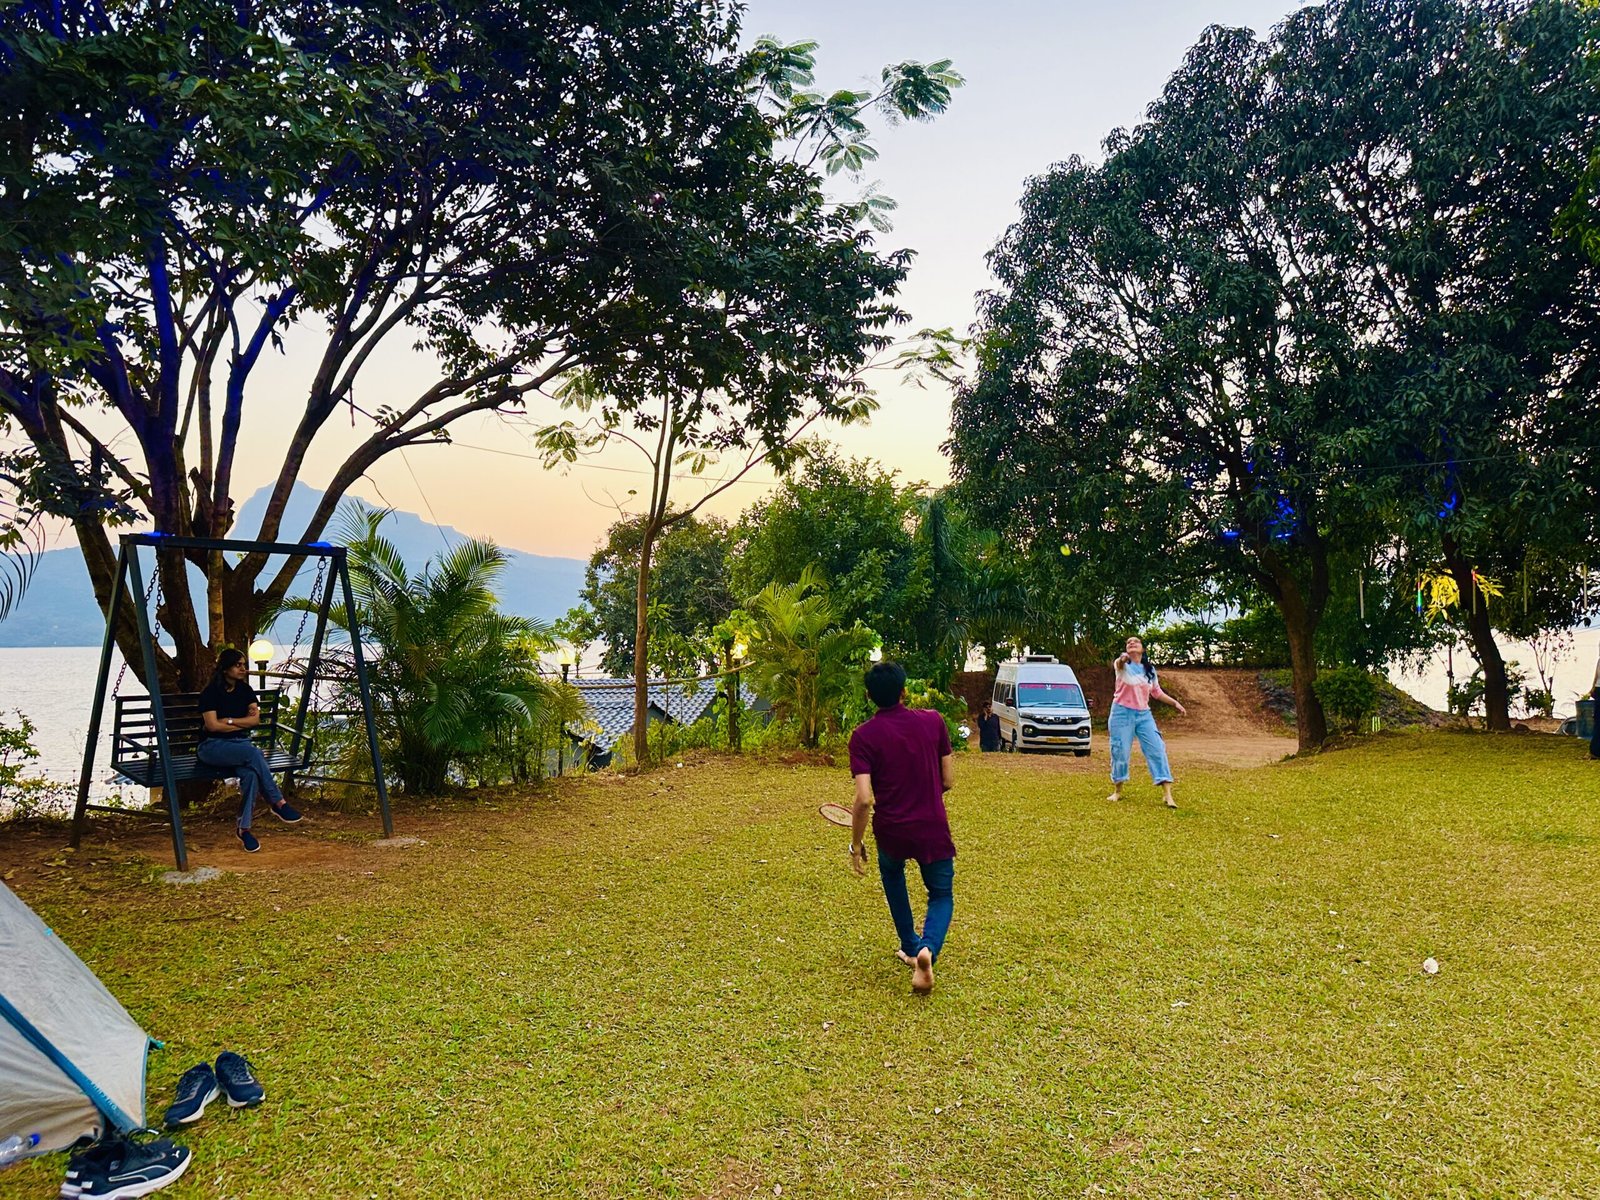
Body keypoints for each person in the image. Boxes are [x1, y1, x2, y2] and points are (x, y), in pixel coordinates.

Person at [847, 661, 956, 995]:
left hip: (891, 830)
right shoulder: (933, 721)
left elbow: (864, 799)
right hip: (931, 825)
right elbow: (948, 780)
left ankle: (910, 946)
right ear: (904, 692)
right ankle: (927, 949)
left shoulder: (862, 736)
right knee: (940, 894)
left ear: (869, 696)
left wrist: (856, 844)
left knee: (894, 878)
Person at [196, 648, 302, 853]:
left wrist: (229, 721)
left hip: (239, 746)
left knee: (251, 774)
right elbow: (212, 726)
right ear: (225, 668)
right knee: (254, 753)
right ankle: (277, 802)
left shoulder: (246, 691)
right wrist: (239, 724)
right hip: (212, 747)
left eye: (244, 664)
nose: (243, 668)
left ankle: (244, 829)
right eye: (238, 665)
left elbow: (254, 720)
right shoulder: (210, 693)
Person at [1107, 635, 1187, 809]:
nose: (1132, 643)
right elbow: (1120, 662)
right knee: (1120, 751)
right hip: (1121, 713)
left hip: (1144, 714)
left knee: (1157, 749)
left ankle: (1167, 794)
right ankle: (1117, 791)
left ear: (1142, 649)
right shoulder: (1121, 664)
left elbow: (1157, 692)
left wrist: (1175, 703)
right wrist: (1124, 658)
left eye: (1136, 641)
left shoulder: (1149, 670)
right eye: (1128, 642)